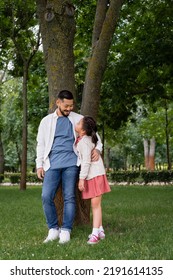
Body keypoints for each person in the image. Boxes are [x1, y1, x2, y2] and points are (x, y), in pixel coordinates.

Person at [36, 90, 102, 244]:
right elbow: (41, 144)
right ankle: (53, 229)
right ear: (57, 103)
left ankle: (66, 230)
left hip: (72, 164)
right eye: (66, 106)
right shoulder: (46, 121)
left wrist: (97, 149)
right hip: (51, 164)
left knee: (69, 197)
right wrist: (39, 164)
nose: (69, 109)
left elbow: (96, 139)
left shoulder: (78, 119)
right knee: (46, 196)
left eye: (71, 106)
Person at [75, 116, 111, 245]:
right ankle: (100, 230)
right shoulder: (88, 138)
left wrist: (81, 179)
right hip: (96, 175)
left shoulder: (84, 142)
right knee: (96, 205)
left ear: (83, 131)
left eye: (79, 123)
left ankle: (95, 234)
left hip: (94, 175)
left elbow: (86, 162)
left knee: (96, 206)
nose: (76, 123)